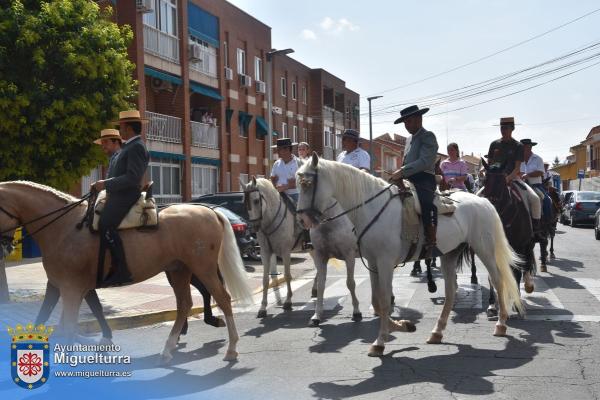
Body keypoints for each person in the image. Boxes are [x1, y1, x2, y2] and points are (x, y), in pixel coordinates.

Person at [91, 110, 150, 286]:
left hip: (127, 195)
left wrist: (105, 184)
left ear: (129, 128)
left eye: (121, 127)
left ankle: (122, 270)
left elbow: (132, 177)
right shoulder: (129, 147)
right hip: (119, 194)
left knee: (105, 224)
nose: (120, 130)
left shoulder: (137, 146)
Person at [391, 105, 441, 258]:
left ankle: (432, 242)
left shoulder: (428, 136)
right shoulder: (408, 140)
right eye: (405, 123)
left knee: (426, 203)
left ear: (419, 119)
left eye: (409, 121)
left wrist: (403, 171)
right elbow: (407, 161)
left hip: (424, 178)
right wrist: (400, 174)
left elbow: (425, 161)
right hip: (407, 178)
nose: (407, 125)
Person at [486, 117, 542, 236]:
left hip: (513, 178)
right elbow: (490, 164)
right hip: (495, 179)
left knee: (535, 199)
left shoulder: (518, 146)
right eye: (502, 128)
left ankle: (535, 229)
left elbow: (517, 168)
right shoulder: (494, 144)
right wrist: (493, 175)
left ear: (512, 129)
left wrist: (506, 178)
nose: (503, 130)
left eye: (506, 128)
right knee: (476, 197)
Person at [520, 138, 552, 220]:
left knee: (546, 200)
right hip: (520, 185)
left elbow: (541, 172)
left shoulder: (538, 159)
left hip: (535, 185)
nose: (524, 148)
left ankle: (547, 222)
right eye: (522, 147)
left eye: (526, 146)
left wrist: (527, 175)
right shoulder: (518, 160)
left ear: (530, 147)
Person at [270, 138, 300, 203]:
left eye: (279, 149)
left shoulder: (298, 163)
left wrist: (287, 186)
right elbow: (272, 178)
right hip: (279, 195)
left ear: (288, 149)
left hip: (295, 195)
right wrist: (275, 185)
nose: (277, 152)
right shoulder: (276, 163)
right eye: (277, 149)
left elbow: (302, 181)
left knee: (301, 211)